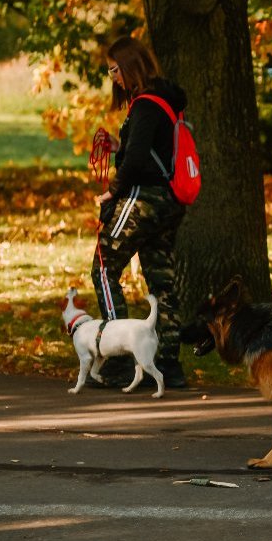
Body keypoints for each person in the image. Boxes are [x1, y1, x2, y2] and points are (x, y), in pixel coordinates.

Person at [90, 36, 189, 390]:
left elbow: (135, 162)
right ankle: (169, 364)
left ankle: (118, 360)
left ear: (130, 66)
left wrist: (111, 192)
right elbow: (149, 150)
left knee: (104, 266)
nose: (113, 76)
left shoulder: (145, 105)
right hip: (169, 202)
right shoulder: (166, 99)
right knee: (161, 279)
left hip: (142, 199)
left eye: (115, 69)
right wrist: (119, 145)